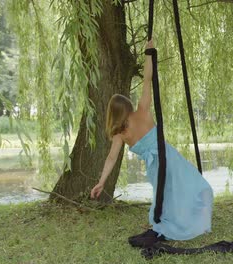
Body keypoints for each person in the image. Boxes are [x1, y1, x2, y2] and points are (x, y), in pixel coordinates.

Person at [91, 40, 213, 247]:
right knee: (197, 187)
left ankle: (177, 221)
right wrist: (149, 53)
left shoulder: (119, 134)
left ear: (113, 113)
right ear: (127, 106)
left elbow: (111, 158)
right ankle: (190, 222)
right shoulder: (142, 112)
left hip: (154, 166)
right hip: (167, 157)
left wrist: (101, 181)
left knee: (167, 194)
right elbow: (148, 80)